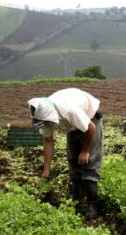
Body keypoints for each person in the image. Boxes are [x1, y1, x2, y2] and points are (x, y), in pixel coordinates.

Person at [28, 88, 103, 219]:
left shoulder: (69, 110)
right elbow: (48, 141)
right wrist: (46, 169)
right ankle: (77, 202)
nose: (46, 124)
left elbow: (90, 128)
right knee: (73, 160)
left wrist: (85, 151)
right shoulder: (43, 114)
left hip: (90, 118)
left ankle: (92, 204)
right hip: (72, 124)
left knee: (89, 161)